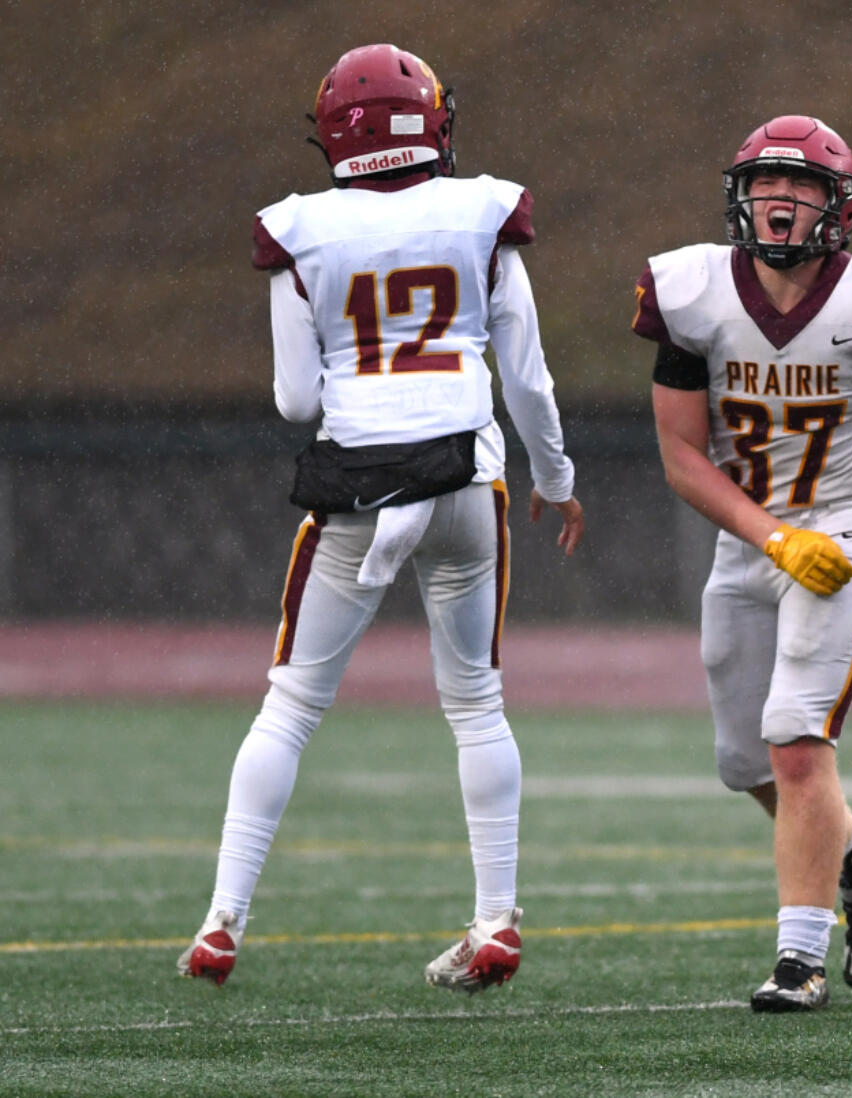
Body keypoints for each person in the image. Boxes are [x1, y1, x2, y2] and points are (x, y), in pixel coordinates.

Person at [178, 43, 584, 994]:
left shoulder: (298, 229)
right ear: (430, 122)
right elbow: (525, 377)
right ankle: (495, 919)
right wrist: (558, 481)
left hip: (358, 486)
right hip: (464, 482)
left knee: (291, 705)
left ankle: (223, 920)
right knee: (476, 705)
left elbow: (292, 401)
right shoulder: (480, 209)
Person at [632, 115, 852, 1011]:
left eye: (805, 186)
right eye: (766, 183)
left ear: (840, 206)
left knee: (794, 739)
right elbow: (681, 456)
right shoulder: (689, 291)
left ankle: (800, 959)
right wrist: (772, 536)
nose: (780, 200)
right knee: (743, 760)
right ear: (737, 196)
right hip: (754, 534)